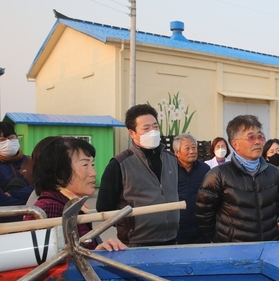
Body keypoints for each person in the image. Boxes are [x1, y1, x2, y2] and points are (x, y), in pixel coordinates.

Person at [96, 104, 179, 247]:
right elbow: (104, 206)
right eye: (146, 128)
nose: (153, 131)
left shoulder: (171, 158)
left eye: (155, 127)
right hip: (136, 242)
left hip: (172, 238)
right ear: (132, 133)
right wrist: (128, 226)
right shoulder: (119, 164)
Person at [24, 137, 126, 251]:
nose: (93, 173)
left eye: (92, 165)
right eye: (84, 165)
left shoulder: (72, 204)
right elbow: (45, 261)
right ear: (60, 173)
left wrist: (98, 251)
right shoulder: (48, 208)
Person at [196, 115, 279, 242]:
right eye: (251, 137)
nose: (258, 141)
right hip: (234, 247)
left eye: (260, 136)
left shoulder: (273, 172)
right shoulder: (218, 175)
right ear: (235, 144)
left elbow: (277, 207)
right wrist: (222, 238)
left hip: (268, 244)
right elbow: (204, 215)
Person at [173, 133, 210, 244]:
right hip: (177, 228)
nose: (192, 151)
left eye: (194, 147)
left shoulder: (205, 169)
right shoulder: (169, 170)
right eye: (187, 148)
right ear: (177, 152)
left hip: (201, 227)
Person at [0, 122, 34, 205]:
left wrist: (13, 193)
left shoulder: (32, 161)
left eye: (11, 138)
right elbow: (2, 200)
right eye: (2, 140)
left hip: (34, 216)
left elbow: (42, 187)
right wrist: (31, 203)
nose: (8, 142)